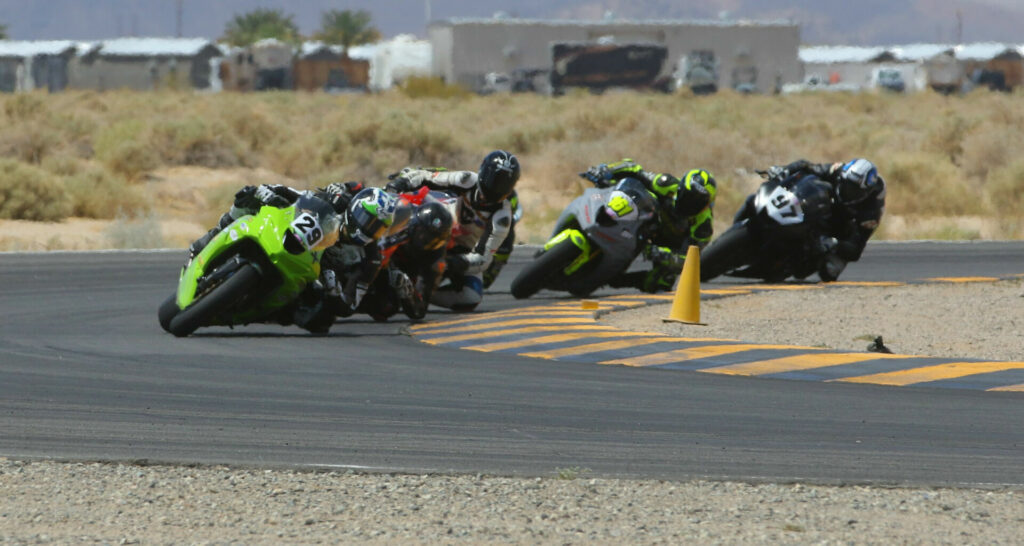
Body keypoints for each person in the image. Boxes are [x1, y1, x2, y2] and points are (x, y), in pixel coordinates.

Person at [186, 182, 402, 332]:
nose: (368, 228)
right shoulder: (337, 200)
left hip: (314, 280)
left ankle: (264, 312)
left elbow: (350, 305)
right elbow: (301, 197)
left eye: (376, 228)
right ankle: (205, 243)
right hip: (294, 242)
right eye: (367, 218)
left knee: (320, 322)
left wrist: (334, 291)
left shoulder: (372, 257)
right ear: (355, 208)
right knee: (247, 197)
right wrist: (270, 192)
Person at [384, 150, 521, 311]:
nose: (495, 187)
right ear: (483, 171)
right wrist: (401, 183)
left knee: (471, 296)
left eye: (502, 184)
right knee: (407, 198)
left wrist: (452, 263)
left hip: (462, 250)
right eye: (493, 180)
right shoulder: (467, 179)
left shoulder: (502, 217)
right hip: (443, 218)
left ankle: (416, 293)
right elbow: (426, 177)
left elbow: (482, 259)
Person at [582, 158, 717, 292]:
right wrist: (606, 170)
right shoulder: (666, 184)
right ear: (680, 188)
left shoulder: (703, 226)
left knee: (663, 280)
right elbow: (634, 169)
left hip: (665, 246)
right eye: (688, 197)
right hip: (643, 221)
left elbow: (690, 260)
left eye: (697, 203)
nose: (690, 205)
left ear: (706, 205)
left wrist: (663, 254)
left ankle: (612, 278)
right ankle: (601, 218)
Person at [754, 158, 886, 281]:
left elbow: (856, 249)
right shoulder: (839, 171)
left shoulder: (871, 211)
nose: (847, 190)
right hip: (823, 208)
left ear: (865, 192)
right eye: (846, 184)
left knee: (830, 271)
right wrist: (785, 170)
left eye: (853, 190)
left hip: (840, 229)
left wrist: (835, 243)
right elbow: (807, 166)